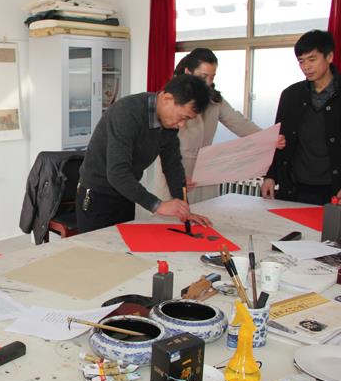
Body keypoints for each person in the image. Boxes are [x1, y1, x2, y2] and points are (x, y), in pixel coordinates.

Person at [76, 74, 214, 233]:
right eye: (183, 117)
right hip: (97, 196)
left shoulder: (169, 125)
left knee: (123, 245)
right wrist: (158, 205)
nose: (182, 125)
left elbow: (173, 166)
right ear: (167, 98)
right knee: (95, 248)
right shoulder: (127, 113)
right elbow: (117, 173)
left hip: (126, 194)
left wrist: (184, 209)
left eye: (188, 120)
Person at [151, 48, 285, 203]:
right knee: (174, 213)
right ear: (188, 72)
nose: (208, 83)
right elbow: (158, 138)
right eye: (203, 76)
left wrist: (268, 137)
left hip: (205, 169)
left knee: (206, 211)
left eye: (212, 77)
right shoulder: (171, 98)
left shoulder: (214, 100)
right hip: (175, 165)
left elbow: (238, 122)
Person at [262, 30, 341, 205]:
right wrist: (270, 175)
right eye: (301, 61)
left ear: (329, 57)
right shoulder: (291, 95)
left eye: (312, 59)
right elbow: (279, 139)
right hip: (294, 187)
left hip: (333, 189)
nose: (306, 67)